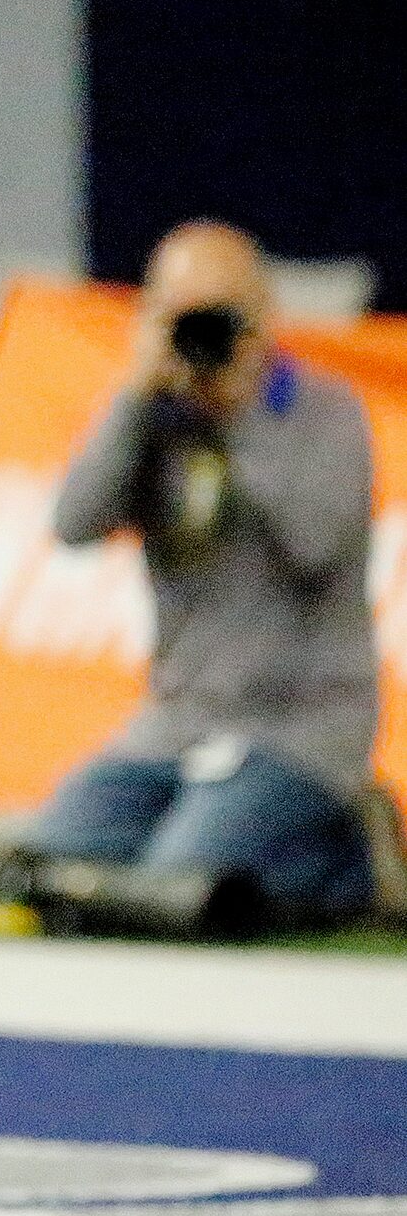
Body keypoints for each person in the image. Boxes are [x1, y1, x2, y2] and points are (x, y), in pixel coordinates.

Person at [22, 220, 378, 933]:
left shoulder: (323, 412)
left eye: (219, 314)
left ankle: (349, 855)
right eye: (179, 314)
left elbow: (313, 543)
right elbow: (72, 523)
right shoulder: (154, 418)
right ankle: (291, 852)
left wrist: (239, 416)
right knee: (52, 863)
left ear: (263, 317)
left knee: (176, 884)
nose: (200, 334)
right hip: (174, 727)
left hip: (300, 730)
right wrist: (133, 397)